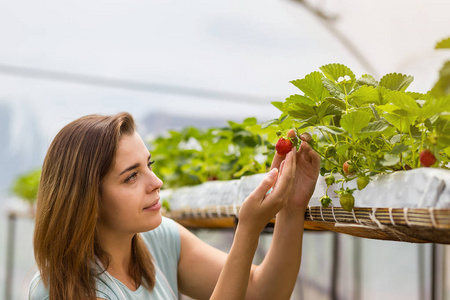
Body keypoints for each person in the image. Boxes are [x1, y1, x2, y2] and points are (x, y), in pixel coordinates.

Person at [28, 112, 320, 300]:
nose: (156, 182)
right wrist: (248, 229)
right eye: (131, 176)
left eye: (149, 164)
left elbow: (262, 292)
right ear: (87, 199)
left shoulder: (159, 239)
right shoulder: (58, 290)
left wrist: (292, 210)